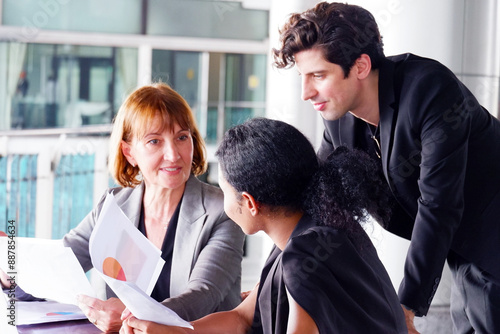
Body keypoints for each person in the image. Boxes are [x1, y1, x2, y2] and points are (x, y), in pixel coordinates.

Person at [272, 2, 500, 333]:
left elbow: (439, 205)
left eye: (318, 75)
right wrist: (275, 281)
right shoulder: (338, 121)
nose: (307, 92)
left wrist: (405, 308)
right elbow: (317, 204)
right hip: (459, 248)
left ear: (361, 66)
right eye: (302, 77)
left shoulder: (430, 90)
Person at [120, 118, 407, 333]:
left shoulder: (304, 257)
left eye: (224, 191)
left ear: (250, 202)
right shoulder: (311, 231)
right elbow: (242, 317)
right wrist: (169, 330)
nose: (222, 200)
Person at [63, 83, 245, 332]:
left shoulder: (222, 211)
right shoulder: (113, 205)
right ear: (129, 153)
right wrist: (11, 266)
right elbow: (62, 263)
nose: (173, 154)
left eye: (182, 137)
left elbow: (202, 296)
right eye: (154, 141)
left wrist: (129, 317)